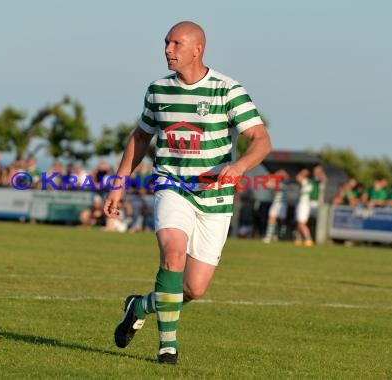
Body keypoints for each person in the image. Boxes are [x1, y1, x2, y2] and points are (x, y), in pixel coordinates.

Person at [103, 21, 271, 364]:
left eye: (176, 43)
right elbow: (140, 137)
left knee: (194, 289)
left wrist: (239, 168)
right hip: (171, 185)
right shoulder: (158, 90)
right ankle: (168, 347)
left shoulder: (228, 90)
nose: (167, 49)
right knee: (173, 253)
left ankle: (140, 305)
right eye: (166, 42)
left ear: (198, 49)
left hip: (214, 197)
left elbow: (261, 140)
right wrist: (119, 181)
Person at [263, 169, 289, 243]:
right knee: (272, 218)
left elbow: (269, 183)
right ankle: (270, 236)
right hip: (276, 203)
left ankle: (279, 236)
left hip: (281, 204)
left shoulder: (283, 184)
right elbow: (267, 183)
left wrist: (275, 175)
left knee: (279, 220)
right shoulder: (278, 182)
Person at [294, 168, 314, 246]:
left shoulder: (306, 182)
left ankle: (308, 238)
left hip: (304, 205)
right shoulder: (306, 182)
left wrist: (302, 173)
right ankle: (298, 239)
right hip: (301, 204)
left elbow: (298, 177)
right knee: (299, 223)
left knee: (302, 223)